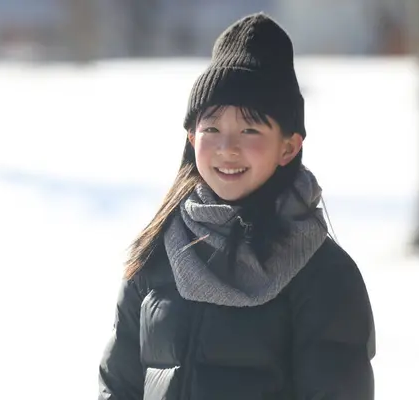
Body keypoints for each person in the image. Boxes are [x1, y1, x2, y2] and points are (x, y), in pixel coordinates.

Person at [98, 12, 375, 400]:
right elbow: (118, 387)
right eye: (211, 129)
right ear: (192, 138)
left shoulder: (325, 277)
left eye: (250, 129)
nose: (227, 147)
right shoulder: (156, 256)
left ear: (289, 146)